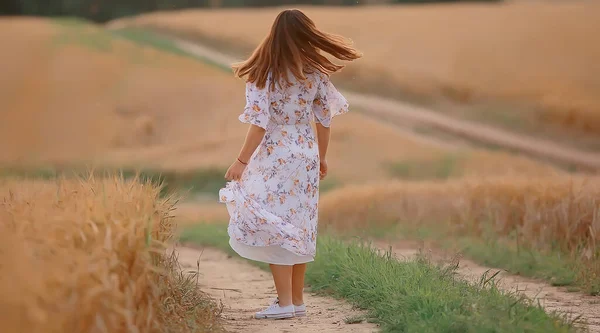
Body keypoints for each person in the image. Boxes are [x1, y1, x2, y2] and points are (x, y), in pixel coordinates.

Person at [219, 8, 361, 320]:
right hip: (305, 152)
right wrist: (321, 157)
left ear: (274, 35)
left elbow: (259, 124)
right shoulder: (314, 73)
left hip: (276, 154)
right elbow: (324, 120)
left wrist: (241, 161)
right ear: (306, 35)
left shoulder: (263, 74)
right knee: (298, 225)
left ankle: (284, 303)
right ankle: (296, 300)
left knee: (274, 223)